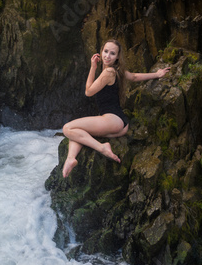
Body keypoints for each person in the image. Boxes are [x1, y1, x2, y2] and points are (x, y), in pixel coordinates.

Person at [62, 39, 170, 178]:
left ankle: (103, 148)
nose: (107, 56)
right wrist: (157, 74)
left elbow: (88, 92)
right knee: (78, 132)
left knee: (67, 129)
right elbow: (134, 76)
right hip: (120, 123)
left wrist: (93, 67)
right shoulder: (117, 70)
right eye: (106, 51)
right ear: (101, 51)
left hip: (112, 120)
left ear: (117, 56)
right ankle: (71, 158)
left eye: (112, 53)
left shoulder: (109, 72)